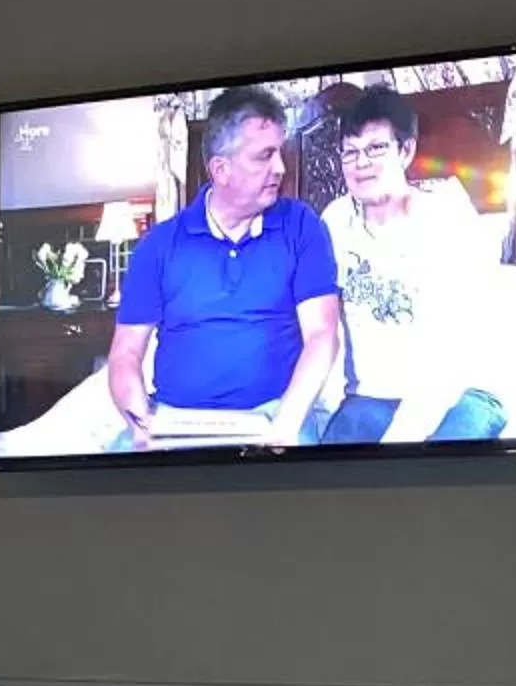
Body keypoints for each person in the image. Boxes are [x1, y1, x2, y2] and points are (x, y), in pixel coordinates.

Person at [105, 87, 343, 445]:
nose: (279, 167)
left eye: (280, 152)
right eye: (264, 156)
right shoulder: (158, 245)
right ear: (221, 169)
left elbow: (322, 336)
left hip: (275, 413)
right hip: (175, 417)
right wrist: (142, 428)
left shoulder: (302, 226)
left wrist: (286, 426)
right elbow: (125, 353)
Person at [315, 89, 511, 445]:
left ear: (405, 151)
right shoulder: (334, 220)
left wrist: (402, 437)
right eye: (350, 151)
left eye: (376, 148)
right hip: (371, 396)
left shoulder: (448, 219)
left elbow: (452, 350)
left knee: (432, 486)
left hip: (461, 392)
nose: (361, 163)